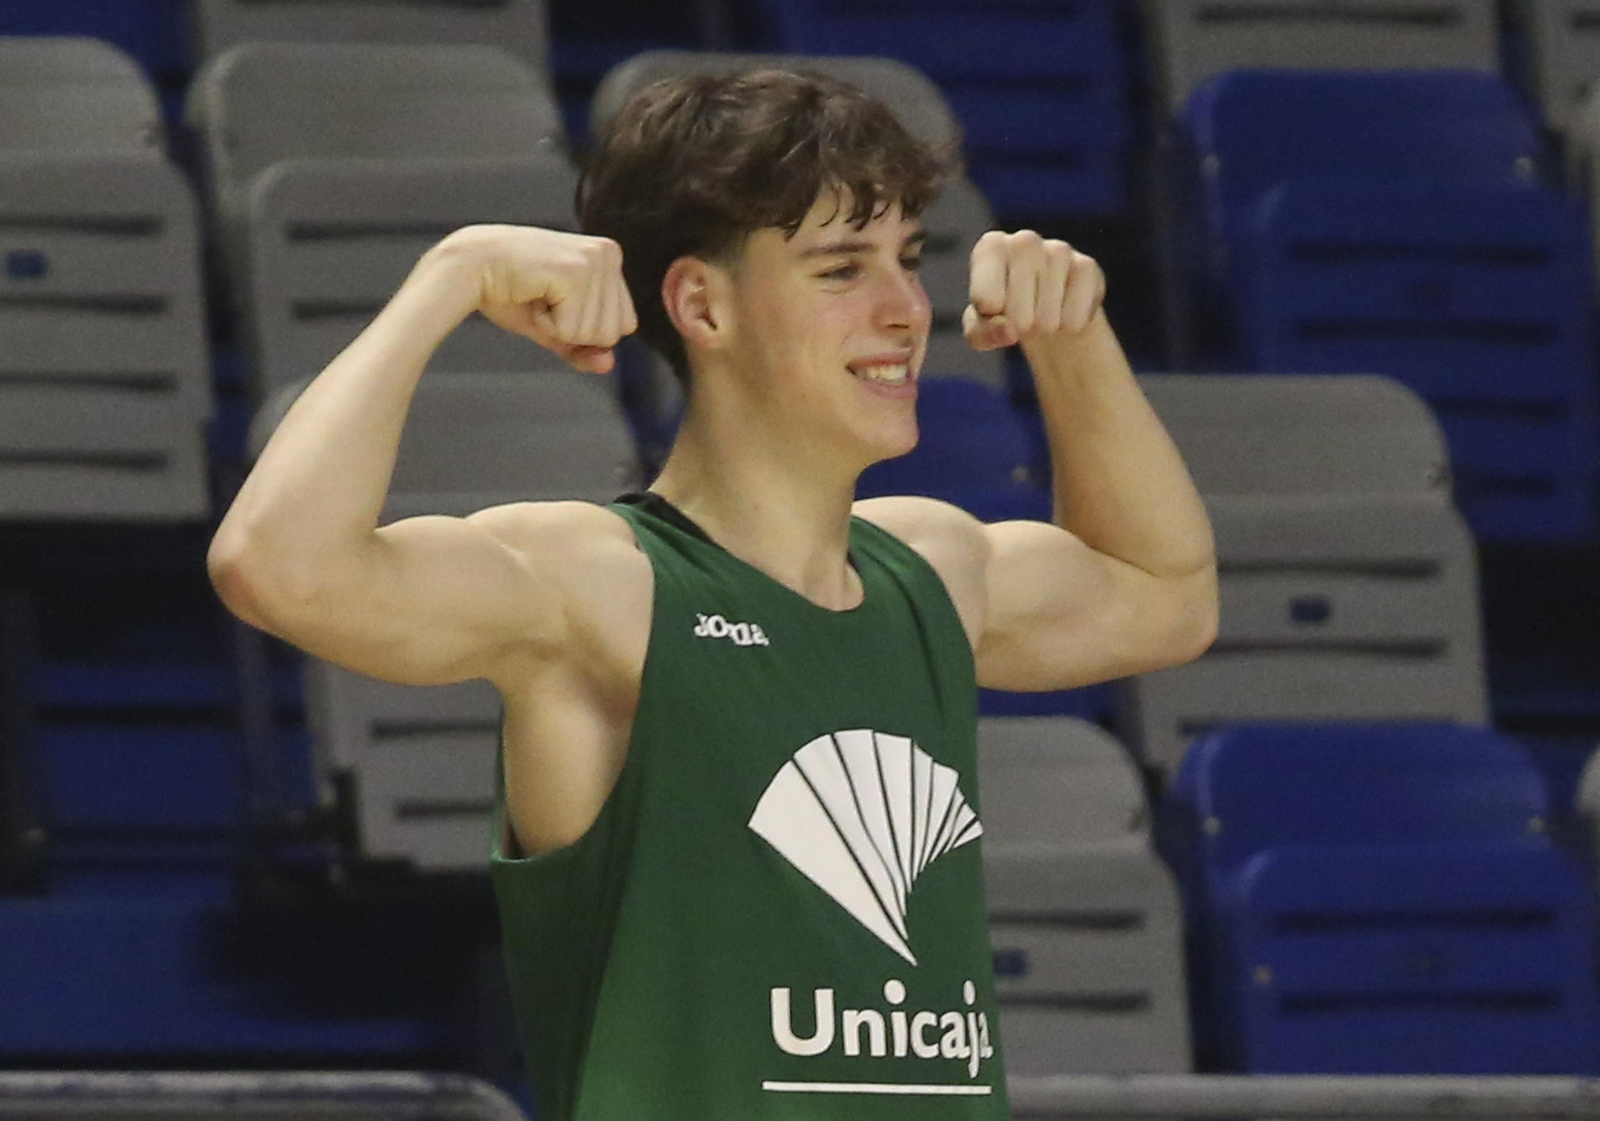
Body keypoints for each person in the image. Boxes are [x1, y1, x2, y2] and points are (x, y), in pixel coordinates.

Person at [208, 68, 1217, 1120]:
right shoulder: (597, 580)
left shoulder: (932, 571)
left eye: (909, 262)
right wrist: (447, 280)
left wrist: (1073, 340)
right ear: (701, 302)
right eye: (841, 270)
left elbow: (1167, 596)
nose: (906, 309)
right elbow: (277, 565)